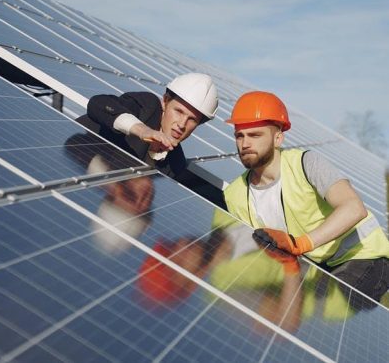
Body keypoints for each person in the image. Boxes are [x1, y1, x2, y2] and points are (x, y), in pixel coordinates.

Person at [222, 91, 389, 301]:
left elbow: (353, 207)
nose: (245, 144)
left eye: (255, 135)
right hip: (313, 268)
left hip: (362, 256)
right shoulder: (235, 194)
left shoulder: (305, 164)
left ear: (278, 138)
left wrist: (300, 244)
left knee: (338, 307)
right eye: (239, 135)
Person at [76, 73, 218, 180]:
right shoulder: (147, 106)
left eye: (192, 119)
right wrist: (142, 130)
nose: (182, 124)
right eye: (178, 111)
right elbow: (99, 103)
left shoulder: (176, 163)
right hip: (71, 159)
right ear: (165, 101)